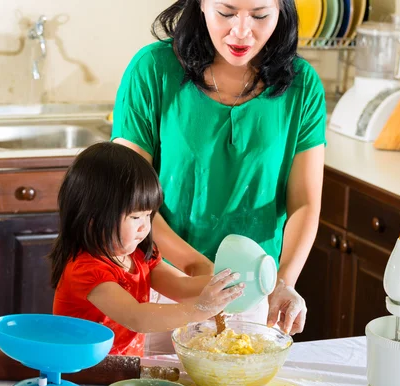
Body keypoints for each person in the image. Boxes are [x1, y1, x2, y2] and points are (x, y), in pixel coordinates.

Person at [111, 0, 326, 342]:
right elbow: (127, 195)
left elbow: (304, 203)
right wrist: (199, 270)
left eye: (259, 15)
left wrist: (283, 281)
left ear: (281, 11)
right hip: (163, 284)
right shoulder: (152, 70)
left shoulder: (303, 86)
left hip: (254, 291)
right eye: (226, 13)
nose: (242, 31)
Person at [50, 142, 244, 356]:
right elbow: (137, 318)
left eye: (148, 215)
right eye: (135, 217)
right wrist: (199, 311)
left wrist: (221, 289)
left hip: (121, 372)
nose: (145, 226)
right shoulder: (85, 270)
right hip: (81, 374)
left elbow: (180, 285)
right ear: (92, 219)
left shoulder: (139, 255)